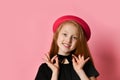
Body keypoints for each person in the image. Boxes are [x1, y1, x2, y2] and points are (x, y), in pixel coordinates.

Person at [35, 15, 99, 80]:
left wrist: (80, 71)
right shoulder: (45, 68)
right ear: (56, 35)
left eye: (74, 37)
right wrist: (55, 72)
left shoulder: (85, 64)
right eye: (65, 34)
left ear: (79, 42)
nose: (68, 40)